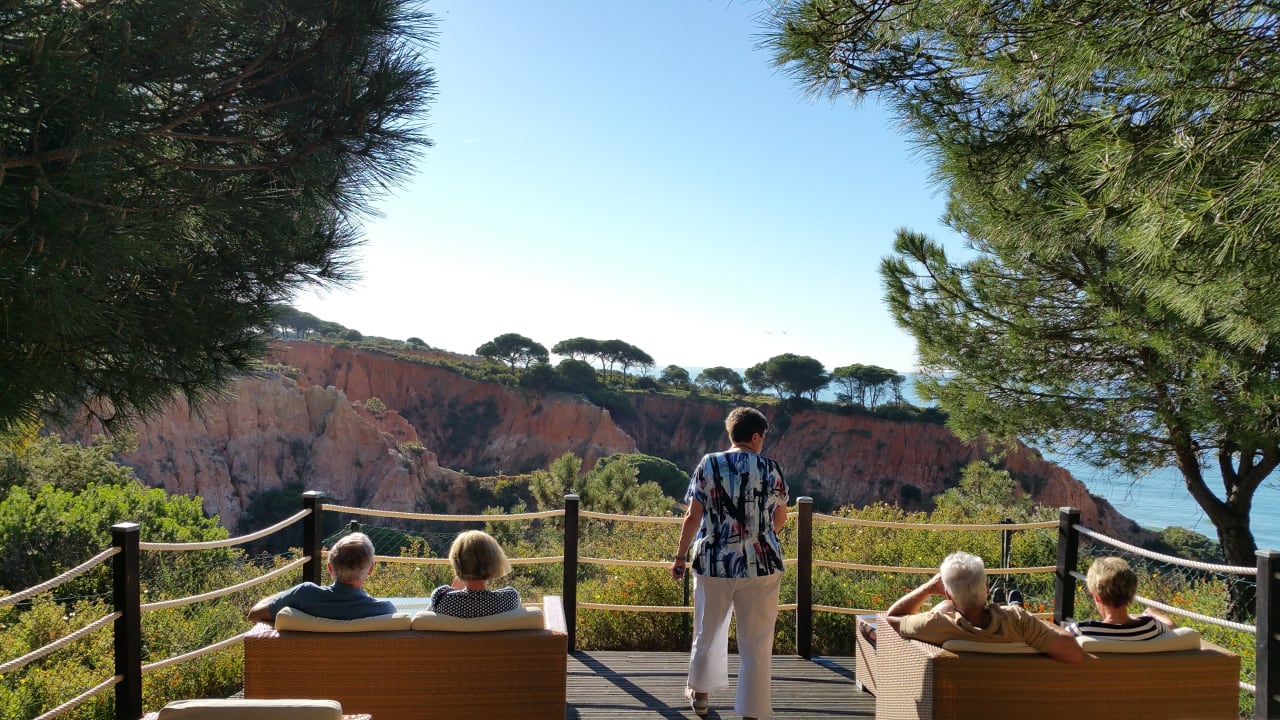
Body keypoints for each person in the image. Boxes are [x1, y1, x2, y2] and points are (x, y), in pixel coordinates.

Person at [672, 407, 789, 720]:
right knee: (758, 641)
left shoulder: (709, 463)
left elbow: (692, 516)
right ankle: (754, 711)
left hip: (714, 564)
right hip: (762, 567)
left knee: (707, 631)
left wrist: (680, 556)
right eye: (762, 437)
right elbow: (780, 516)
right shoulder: (771, 468)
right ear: (755, 437)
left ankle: (700, 696)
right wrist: (759, 538)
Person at [885, 551, 1083, 663]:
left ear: (948, 593)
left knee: (944, 607)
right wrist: (1039, 625)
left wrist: (927, 588)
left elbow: (892, 617)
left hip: (959, 707)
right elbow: (1072, 652)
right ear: (986, 589)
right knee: (1012, 609)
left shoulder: (935, 625)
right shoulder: (1019, 620)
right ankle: (1008, 602)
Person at [248, 531, 395, 624]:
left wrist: (284, 595)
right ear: (371, 570)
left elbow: (254, 615)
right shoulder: (384, 610)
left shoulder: (303, 595)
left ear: (330, 568)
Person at [1066, 556, 1174, 640]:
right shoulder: (1152, 627)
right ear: (1131, 594)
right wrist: (1155, 614)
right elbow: (1176, 632)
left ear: (1097, 598)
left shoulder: (1080, 632)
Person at [427, 529, 521, 618]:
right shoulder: (509, 598)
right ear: (494, 562)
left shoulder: (441, 599)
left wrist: (464, 571)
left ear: (457, 562)